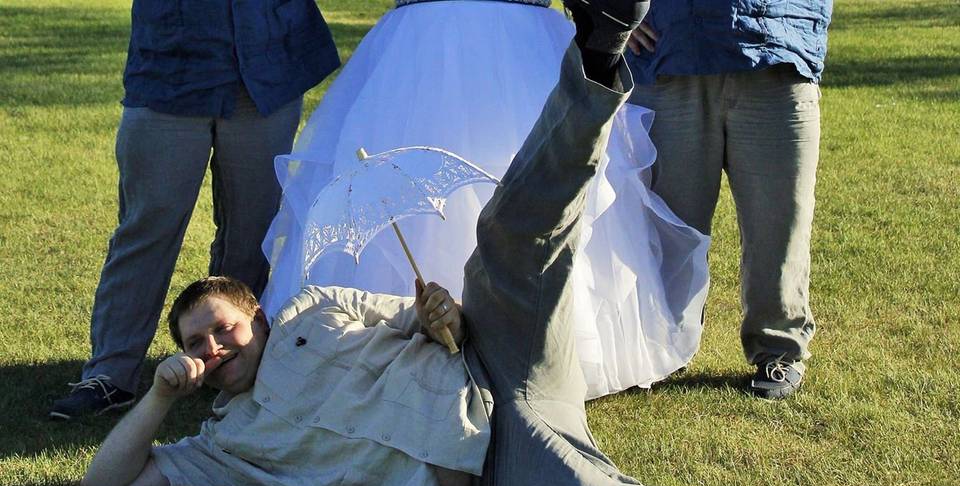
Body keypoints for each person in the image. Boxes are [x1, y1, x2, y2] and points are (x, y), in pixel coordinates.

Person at [82, 3, 876, 486]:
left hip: (497, 357)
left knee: (509, 230)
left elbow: (412, 320)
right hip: (499, 473)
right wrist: (158, 392)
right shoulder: (230, 446)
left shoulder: (315, 308)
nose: (210, 349)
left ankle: (595, 66)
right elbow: (105, 485)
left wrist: (436, 317)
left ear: (253, 310)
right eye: (196, 348)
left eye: (215, 329)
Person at [259, 0, 710, 400]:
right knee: (411, 186)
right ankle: (407, 333)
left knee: (538, 174)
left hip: (523, 42)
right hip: (418, 48)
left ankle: (533, 343)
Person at [49, 0, 341, 420]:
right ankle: (110, 376)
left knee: (252, 232)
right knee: (148, 227)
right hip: (170, 67)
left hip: (268, 65)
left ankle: (231, 367)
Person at [625, 1, 832, 399]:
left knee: (779, 223)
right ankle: (664, 347)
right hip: (670, 51)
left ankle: (779, 349)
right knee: (668, 224)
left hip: (779, 48)